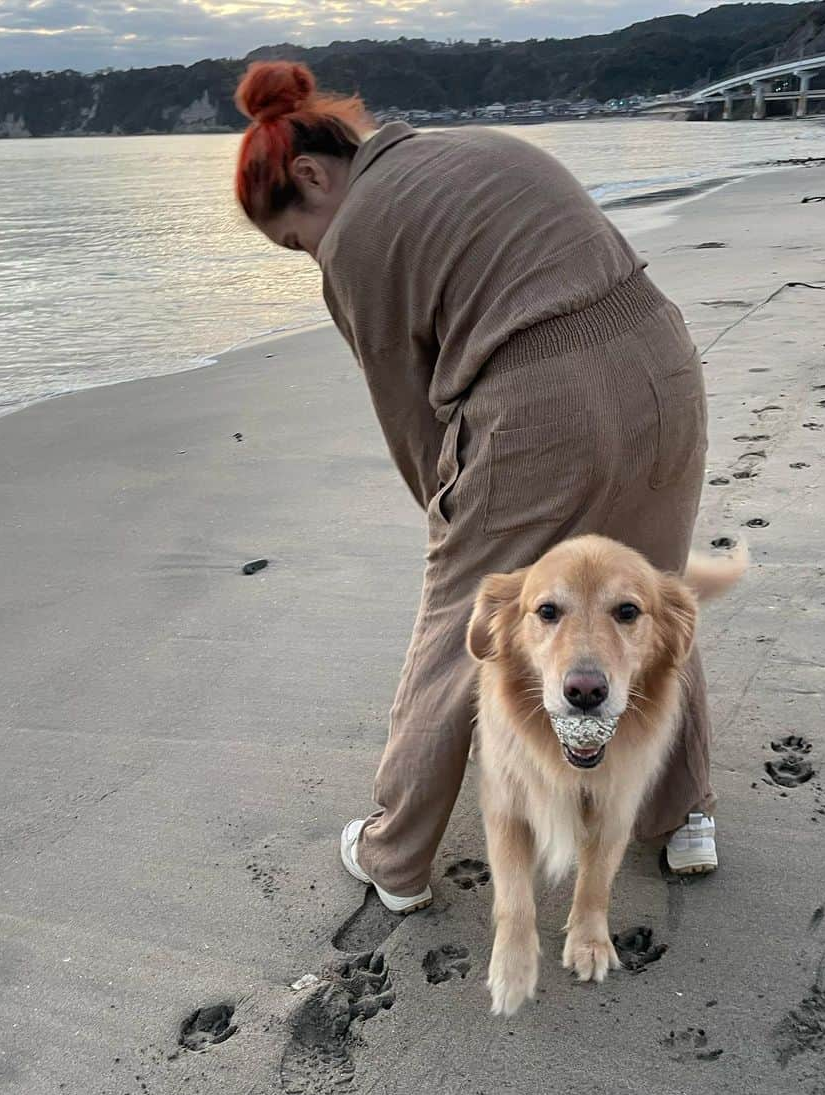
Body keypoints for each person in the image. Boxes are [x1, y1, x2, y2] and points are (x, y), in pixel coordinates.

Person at [233, 60, 718, 914]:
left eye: (293, 240)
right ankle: (683, 818)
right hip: (663, 361)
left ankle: (396, 854)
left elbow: (406, 408)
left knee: (467, 619)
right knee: (647, 594)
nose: (309, 254)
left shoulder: (355, 237)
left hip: (541, 402)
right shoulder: (468, 148)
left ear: (311, 175)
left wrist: (450, 515)